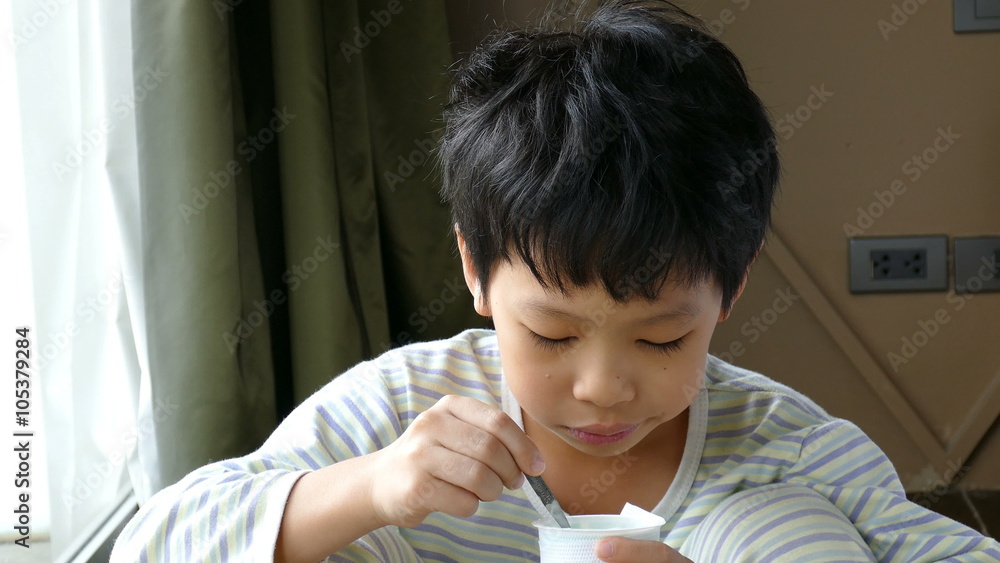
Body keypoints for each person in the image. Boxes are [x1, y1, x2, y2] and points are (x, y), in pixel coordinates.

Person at [111, 1, 1000, 561]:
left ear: (730, 291)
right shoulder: (398, 411)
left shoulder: (790, 449)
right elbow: (151, 545)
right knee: (328, 529)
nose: (603, 386)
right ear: (473, 270)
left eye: (661, 338)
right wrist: (376, 486)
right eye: (551, 335)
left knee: (783, 528)